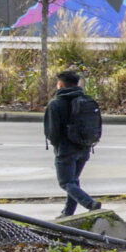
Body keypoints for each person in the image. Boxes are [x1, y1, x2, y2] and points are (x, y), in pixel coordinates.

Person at [42, 67, 102, 215]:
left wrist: (56, 144)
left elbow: (52, 131)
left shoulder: (55, 104)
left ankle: (89, 202)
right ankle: (68, 212)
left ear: (61, 85)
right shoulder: (86, 101)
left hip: (65, 149)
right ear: (77, 84)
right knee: (73, 181)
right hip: (84, 147)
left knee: (65, 182)